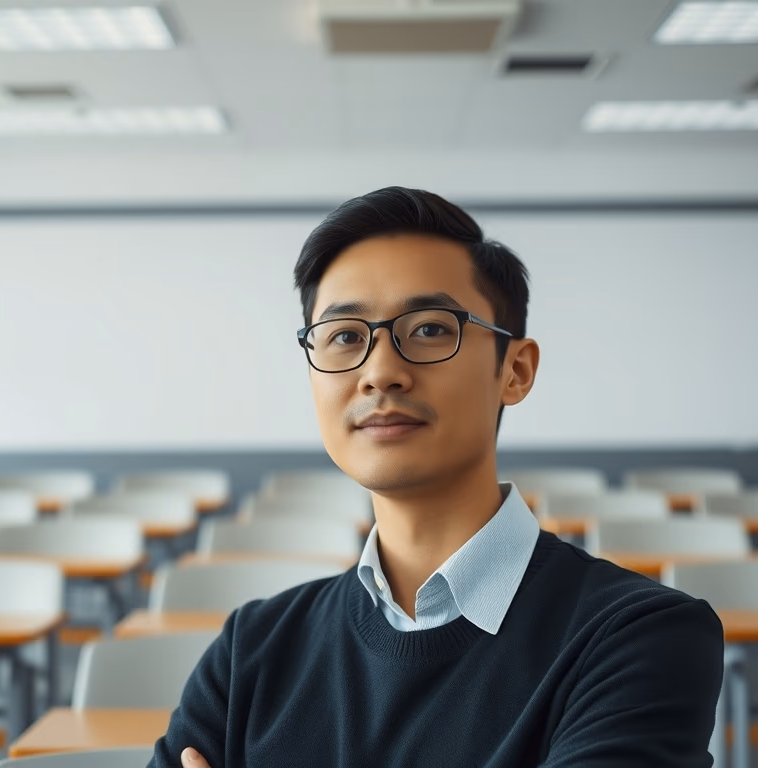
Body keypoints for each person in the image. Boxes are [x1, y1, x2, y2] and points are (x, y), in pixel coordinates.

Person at [151, 187, 723, 767]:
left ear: (515, 371)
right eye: (345, 336)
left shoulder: (638, 637)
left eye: (428, 329)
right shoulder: (251, 648)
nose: (379, 372)